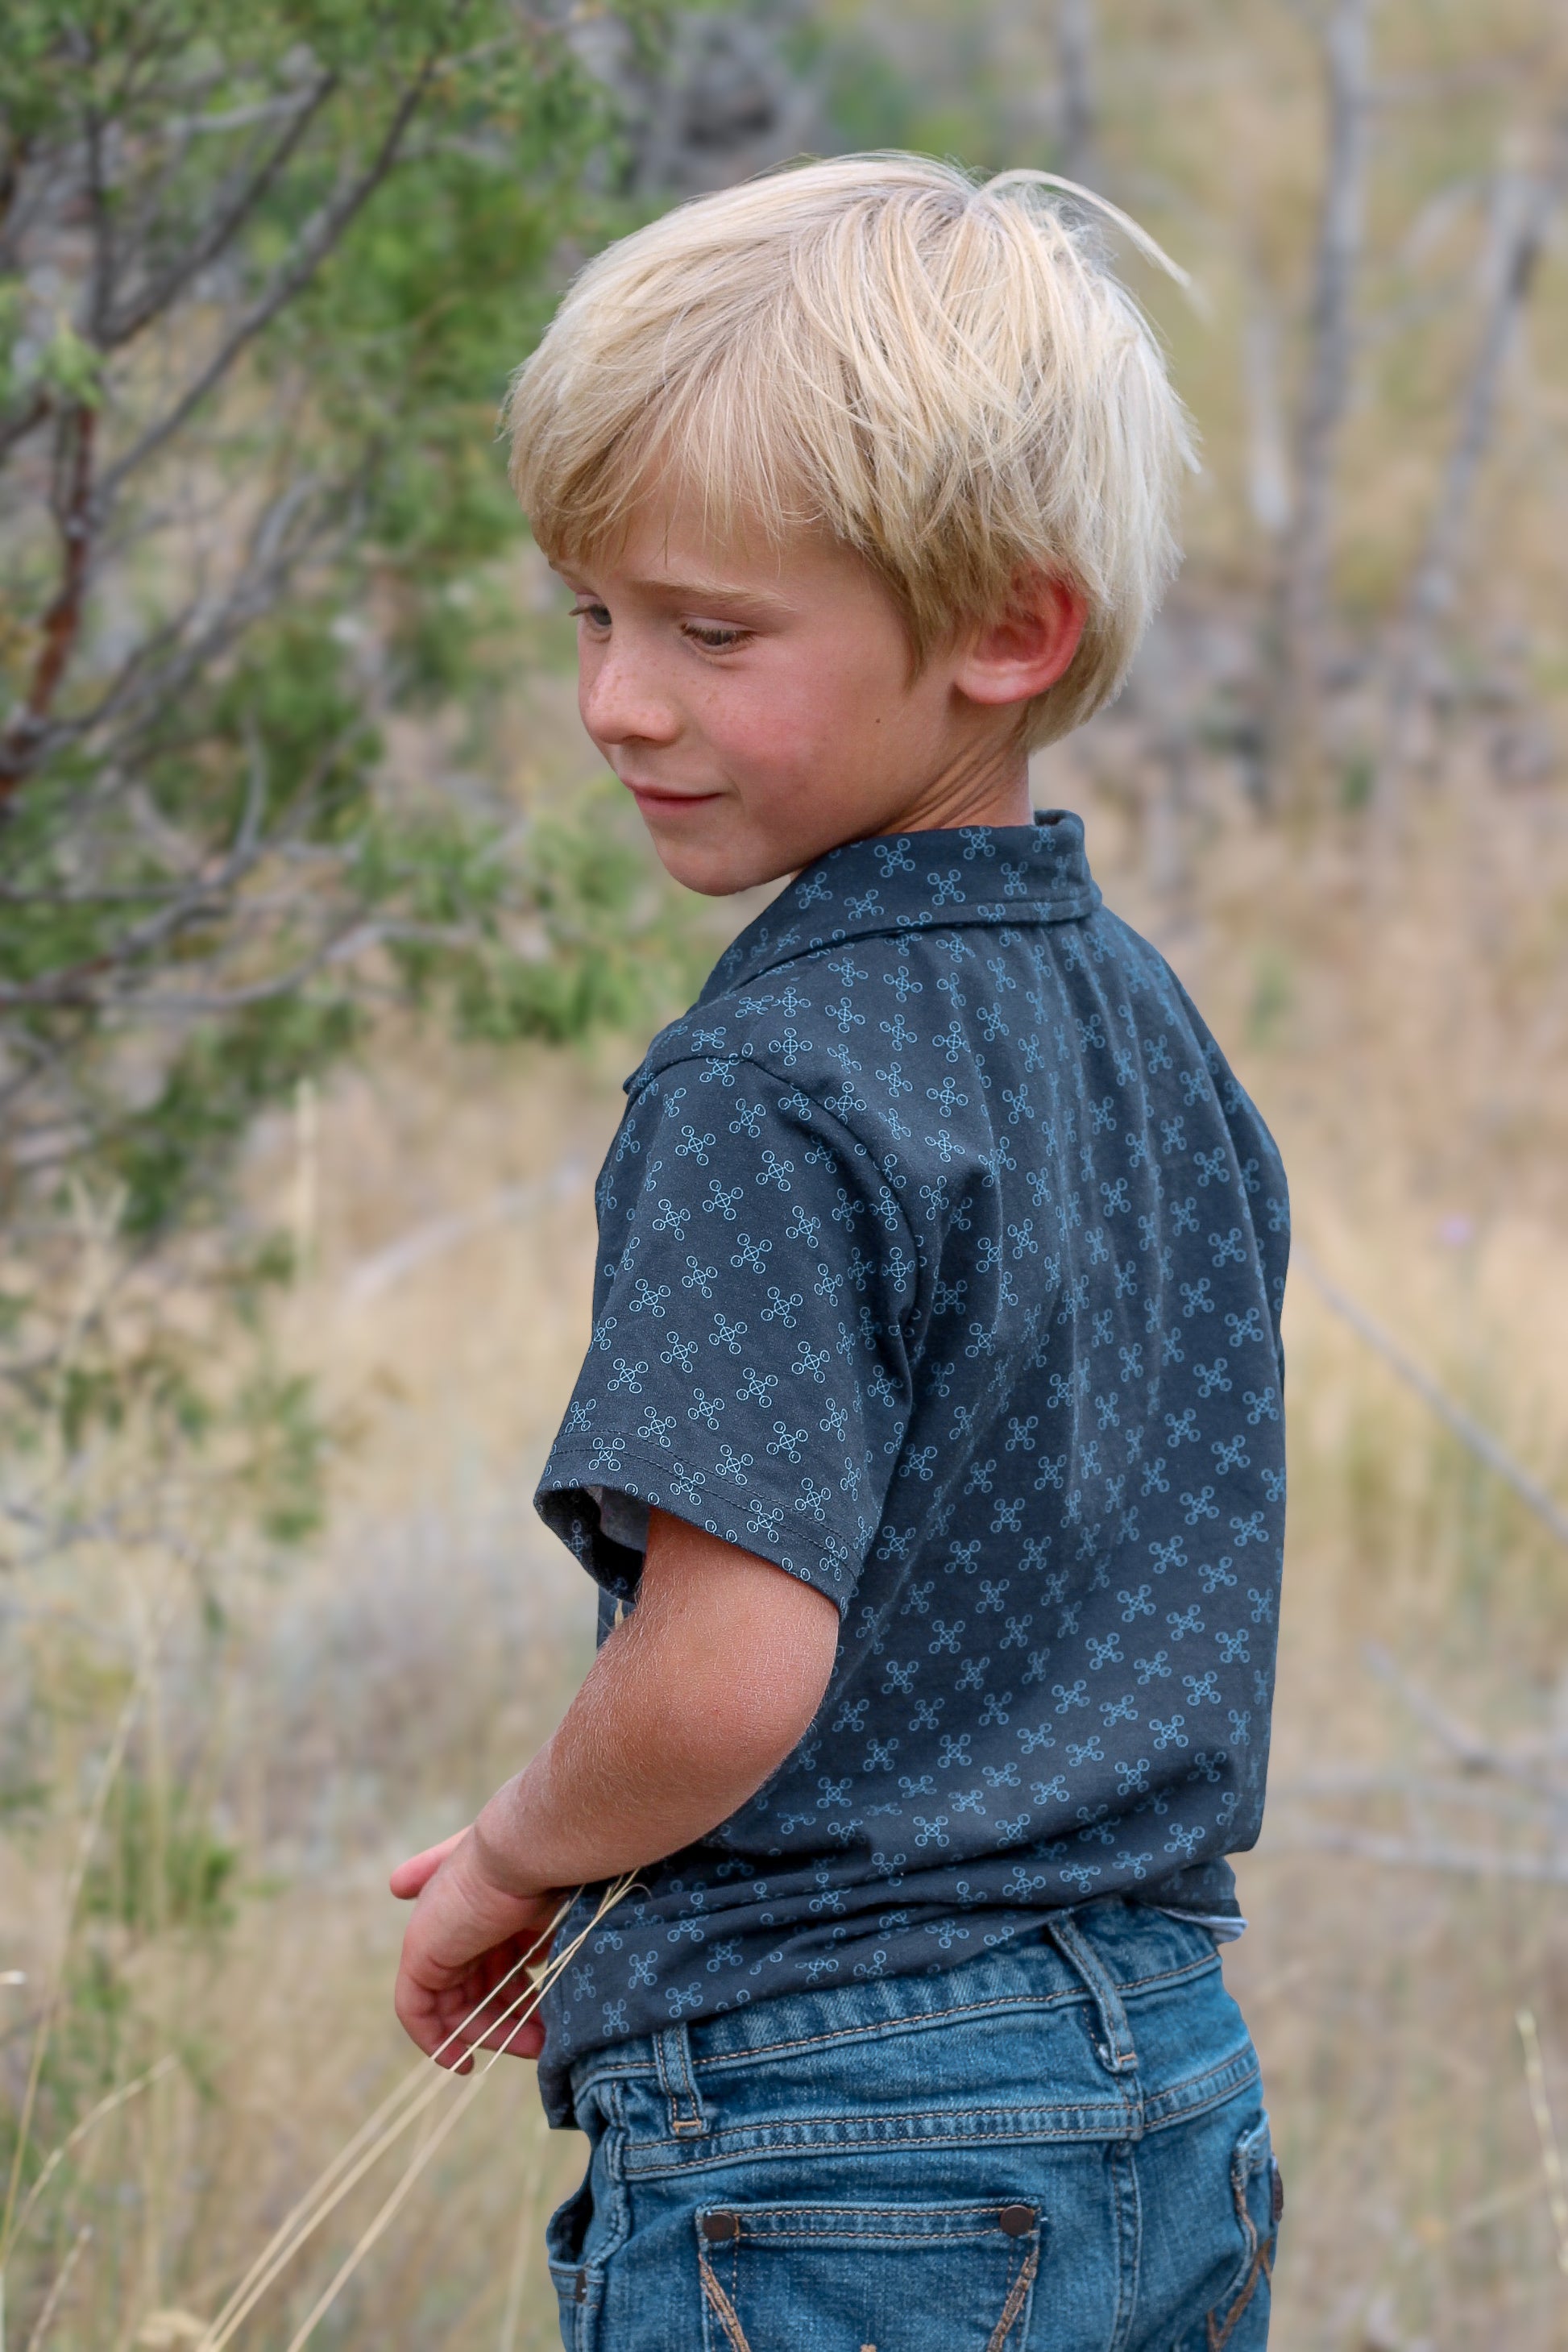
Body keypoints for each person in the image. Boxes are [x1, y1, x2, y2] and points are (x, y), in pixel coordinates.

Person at [390, 154, 1288, 2352]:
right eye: (589, 615)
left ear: (1007, 627)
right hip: (1161, 2083)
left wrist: (514, 1859)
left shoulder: (767, 1085)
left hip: (835, 2132)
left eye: (711, 631)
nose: (617, 700)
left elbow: (720, 1677)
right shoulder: (1144, 1028)